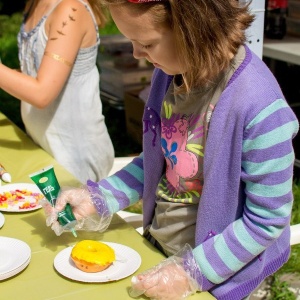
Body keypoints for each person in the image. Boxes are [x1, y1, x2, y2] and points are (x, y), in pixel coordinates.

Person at [43, 0, 299, 299]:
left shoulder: (261, 108)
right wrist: (100, 198)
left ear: (195, 29)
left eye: (147, 43)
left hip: (218, 277)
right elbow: (163, 159)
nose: (137, 54)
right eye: (132, 42)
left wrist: (191, 272)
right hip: (162, 251)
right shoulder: (168, 74)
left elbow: (267, 220)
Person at [0, 0, 114, 183]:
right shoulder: (34, 4)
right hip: (43, 145)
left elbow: (42, 94)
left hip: (75, 156)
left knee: (70, 212)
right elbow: (38, 72)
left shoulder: (71, 10)